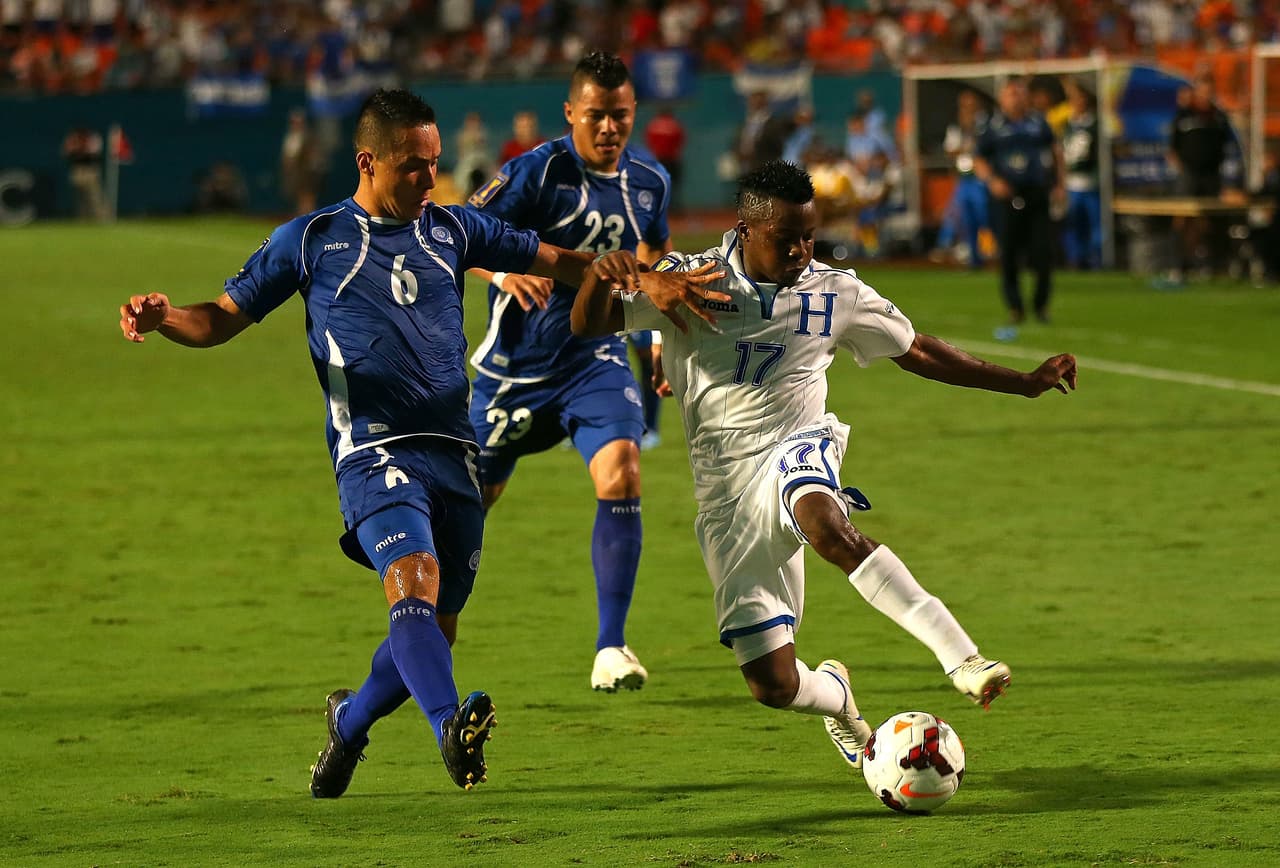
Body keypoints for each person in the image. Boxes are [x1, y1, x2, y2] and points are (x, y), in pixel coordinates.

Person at [117, 88, 717, 798]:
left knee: (436, 626)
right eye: (412, 167)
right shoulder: (309, 240)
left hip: (452, 452)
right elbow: (218, 319)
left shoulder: (453, 230)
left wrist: (639, 278)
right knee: (414, 583)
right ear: (367, 161)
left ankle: (350, 721)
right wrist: (163, 319)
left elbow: (563, 261)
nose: (428, 181)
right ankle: (448, 725)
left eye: (434, 165)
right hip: (370, 452)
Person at [570, 160, 1077, 772]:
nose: (802, 249)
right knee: (773, 685)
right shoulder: (688, 278)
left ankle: (961, 656)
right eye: (787, 238)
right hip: (726, 492)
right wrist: (603, 274)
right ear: (747, 230)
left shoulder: (833, 290)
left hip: (798, 444)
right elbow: (587, 322)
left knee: (827, 524)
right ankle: (838, 698)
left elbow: (915, 349)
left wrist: (1023, 384)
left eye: (809, 235)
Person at [465, 52, 673, 692]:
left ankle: (611, 647)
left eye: (620, 115)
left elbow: (653, 251)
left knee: (623, 469)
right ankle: (423, 620)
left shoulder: (650, 181)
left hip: (595, 358)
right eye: (596, 116)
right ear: (570, 113)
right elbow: (456, 235)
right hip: (516, 369)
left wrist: (655, 331)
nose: (609, 127)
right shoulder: (535, 172)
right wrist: (504, 270)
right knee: (472, 503)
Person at [975, 77, 1064, 330]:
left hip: (1037, 193)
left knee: (1042, 252)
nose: (1017, 99)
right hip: (1006, 195)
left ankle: (1042, 305)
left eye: (1020, 94)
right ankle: (1015, 307)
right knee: (1009, 254)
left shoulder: (1038, 123)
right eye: (1011, 94)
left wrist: (1060, 183)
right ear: (1002, 99)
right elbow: (979, 159)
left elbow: (1056, 151)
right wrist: (993, 181)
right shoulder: (993, 127)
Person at [1167, 76, 1238, 279]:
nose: (1206, 97)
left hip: (1211, 176)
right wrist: (1183, 170)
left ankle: (1212, 264)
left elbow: (1224, 145)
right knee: (1182, 219)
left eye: (1209, 93)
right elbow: (1172, 149)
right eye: (1202, 92)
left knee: (1211, 220)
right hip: (1189, 175)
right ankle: (1178, 265)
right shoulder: (1183, 116)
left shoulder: (1218, 117)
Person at [931, 89, 989, 267]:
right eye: (964, 105)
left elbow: (986, 148)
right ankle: (970, 256)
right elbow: (950, 150)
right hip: (964, 177)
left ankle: (992, 250)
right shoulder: (956, 127)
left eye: (970, 104)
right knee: (961, 215)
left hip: (980, 178)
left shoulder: (984, 125)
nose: (967, 108)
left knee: (984, 215)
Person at [1061, 86, 1102, 270]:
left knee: (1095, 225)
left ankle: (1097, 260)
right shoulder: (1067, 124)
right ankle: (1076, 259)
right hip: (1072, 183)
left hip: (1091, 182)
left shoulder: (1095, 125)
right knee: (1073, 224)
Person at [280, 108, 323, 216]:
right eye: (293, 122)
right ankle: (303, 221)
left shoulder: (308, 137)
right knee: (300, 199)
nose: (295, 124)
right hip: (296, 173)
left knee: (307, 198)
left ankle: (308, 220)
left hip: (306, 173)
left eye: (298, 122)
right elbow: (287, 157)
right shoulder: (291, 136)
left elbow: (313, 157)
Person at [62, 125, 106, 220]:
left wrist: (81, 151)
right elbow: (67, 153)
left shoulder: (92, 138)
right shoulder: (72, 139)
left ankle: (101, 219)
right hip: (77, 170)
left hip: (90, 170)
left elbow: (94, 154)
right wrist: (78, 150)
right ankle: (82, 218)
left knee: (95, 197)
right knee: (79, 197)